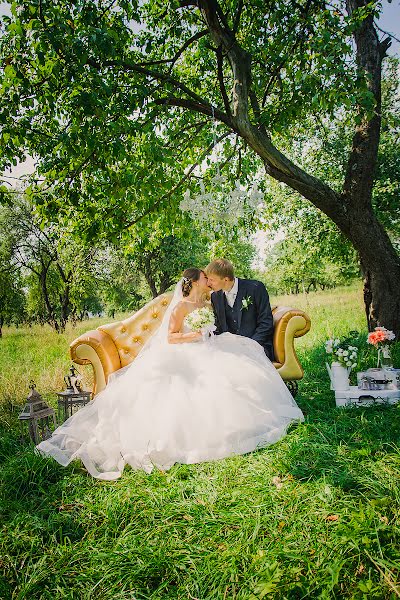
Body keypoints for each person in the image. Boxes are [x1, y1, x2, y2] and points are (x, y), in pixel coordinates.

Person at [37, 268, 303, 480]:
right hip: (185, 351)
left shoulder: (208, 302)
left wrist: (207, 334)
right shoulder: (180, 307)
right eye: (204, 278)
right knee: (194, 383)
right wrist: (196, 333)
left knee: (228, 370)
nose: (208, 282)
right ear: (195, 281)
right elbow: (172, 338)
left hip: (207, 347)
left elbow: (218, 326)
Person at [206, 258, 274, 360]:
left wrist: (252, 345)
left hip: (257, 345)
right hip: (230, 348)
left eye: (212, 280)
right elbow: (219, 327)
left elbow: (266, 322)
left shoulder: (255, 288)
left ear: (226, 279)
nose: (208, 283)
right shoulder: (215, 297)